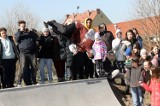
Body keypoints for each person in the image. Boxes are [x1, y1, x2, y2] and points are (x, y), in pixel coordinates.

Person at [15, 20, 39, 87]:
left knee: (34, 67)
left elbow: (37, 37)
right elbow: (16, 39)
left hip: (32, 53)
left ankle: (34, 81)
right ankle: (19, 82)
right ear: (19, 26)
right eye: (22, 26)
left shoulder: (30, 33)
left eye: (24, 25)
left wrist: (31, 31)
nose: (23, 27)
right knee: (23, 68)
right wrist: (20, 31)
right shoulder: (18, 33)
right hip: (23, 53)